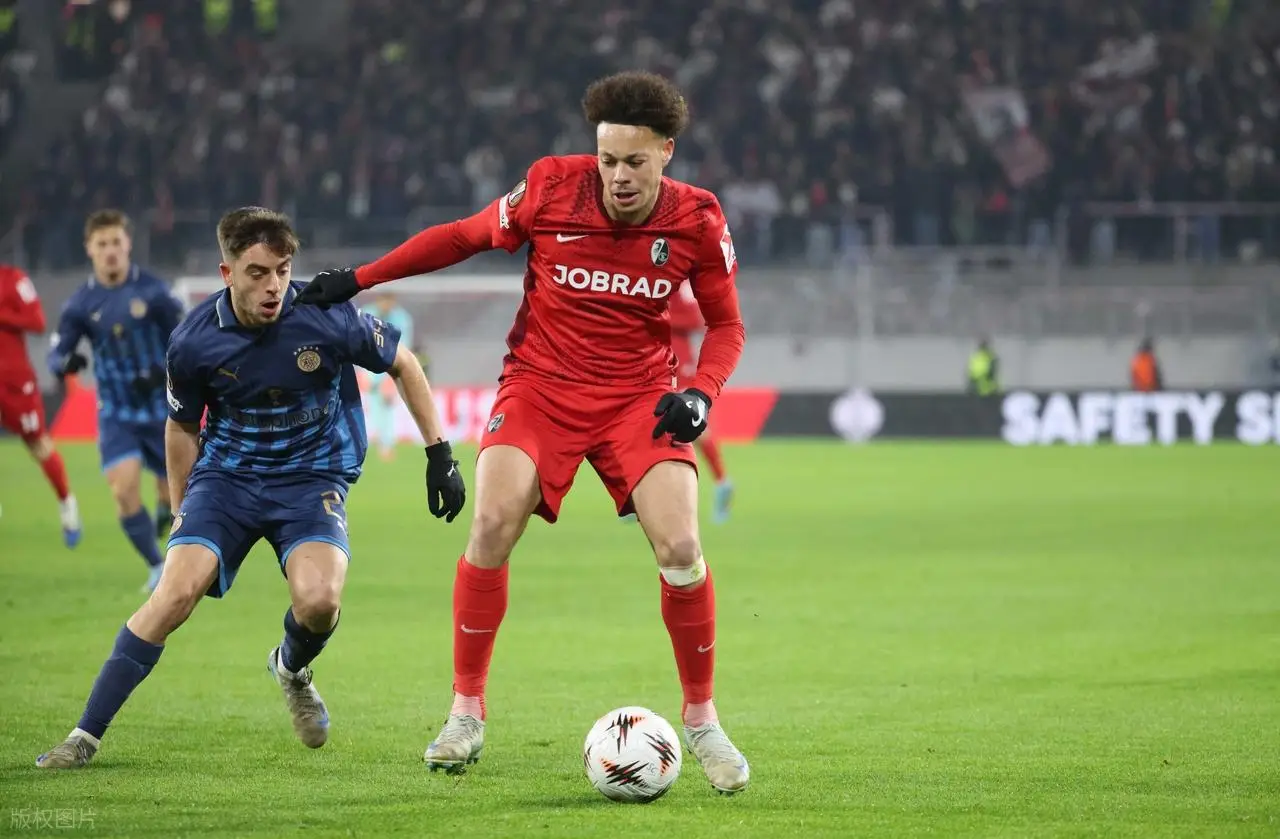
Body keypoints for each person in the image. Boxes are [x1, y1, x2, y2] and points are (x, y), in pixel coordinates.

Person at [296, 71, 750, 795]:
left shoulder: (698, 217)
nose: (618, 176)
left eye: (635, 161)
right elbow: (461, 237)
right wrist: (359, 278)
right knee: (491, 522)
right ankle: (465, 710)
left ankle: (701, 718)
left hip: (639, 396)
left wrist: (700, 393)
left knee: (682, 547)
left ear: (666, 152)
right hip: (541, 386)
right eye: (607, 159)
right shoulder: (550, 186)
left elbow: (726, 326)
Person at [35, 207, 467, 769]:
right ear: (227, 273)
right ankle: (83, 736)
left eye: (283, 271)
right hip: (227, 481)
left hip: (311, 479)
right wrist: (182, 509)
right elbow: (182, 427)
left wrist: (440, 454)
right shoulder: (193, 341)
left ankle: (290, 667)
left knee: (320, 602)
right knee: (172, 596)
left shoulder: (325, 314)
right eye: (258, 273)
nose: (274, 287)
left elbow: (403, 364)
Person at [47, 210, 183, 592]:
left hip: (164, 410)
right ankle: (157, 568)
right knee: (123, 491)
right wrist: (64, 364)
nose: (110, 251)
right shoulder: (81, 303)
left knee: (178, 497)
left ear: (128, 245)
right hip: (116, 413)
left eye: (116, 243)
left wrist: (159, 371)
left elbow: (186, 340)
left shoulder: (154, 292)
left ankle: (166, 513)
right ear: (89, 249)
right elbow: (57, 351)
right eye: (102, 244)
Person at [0, 262, 81, 545]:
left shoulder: (13, 279)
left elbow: (36, 321)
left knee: (36, 442)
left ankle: (66, 502)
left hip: (12, 378)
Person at [358, 292, 414, 460]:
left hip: (390, 366)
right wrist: (362, 372)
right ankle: (375, 442)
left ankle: (387, 445)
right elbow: (358, 342)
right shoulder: (366, 313)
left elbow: (404, 347)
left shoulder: (402, 318)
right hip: (369, 366)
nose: (386, 306)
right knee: (374, 408)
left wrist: (391, 376)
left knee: (387, 407)